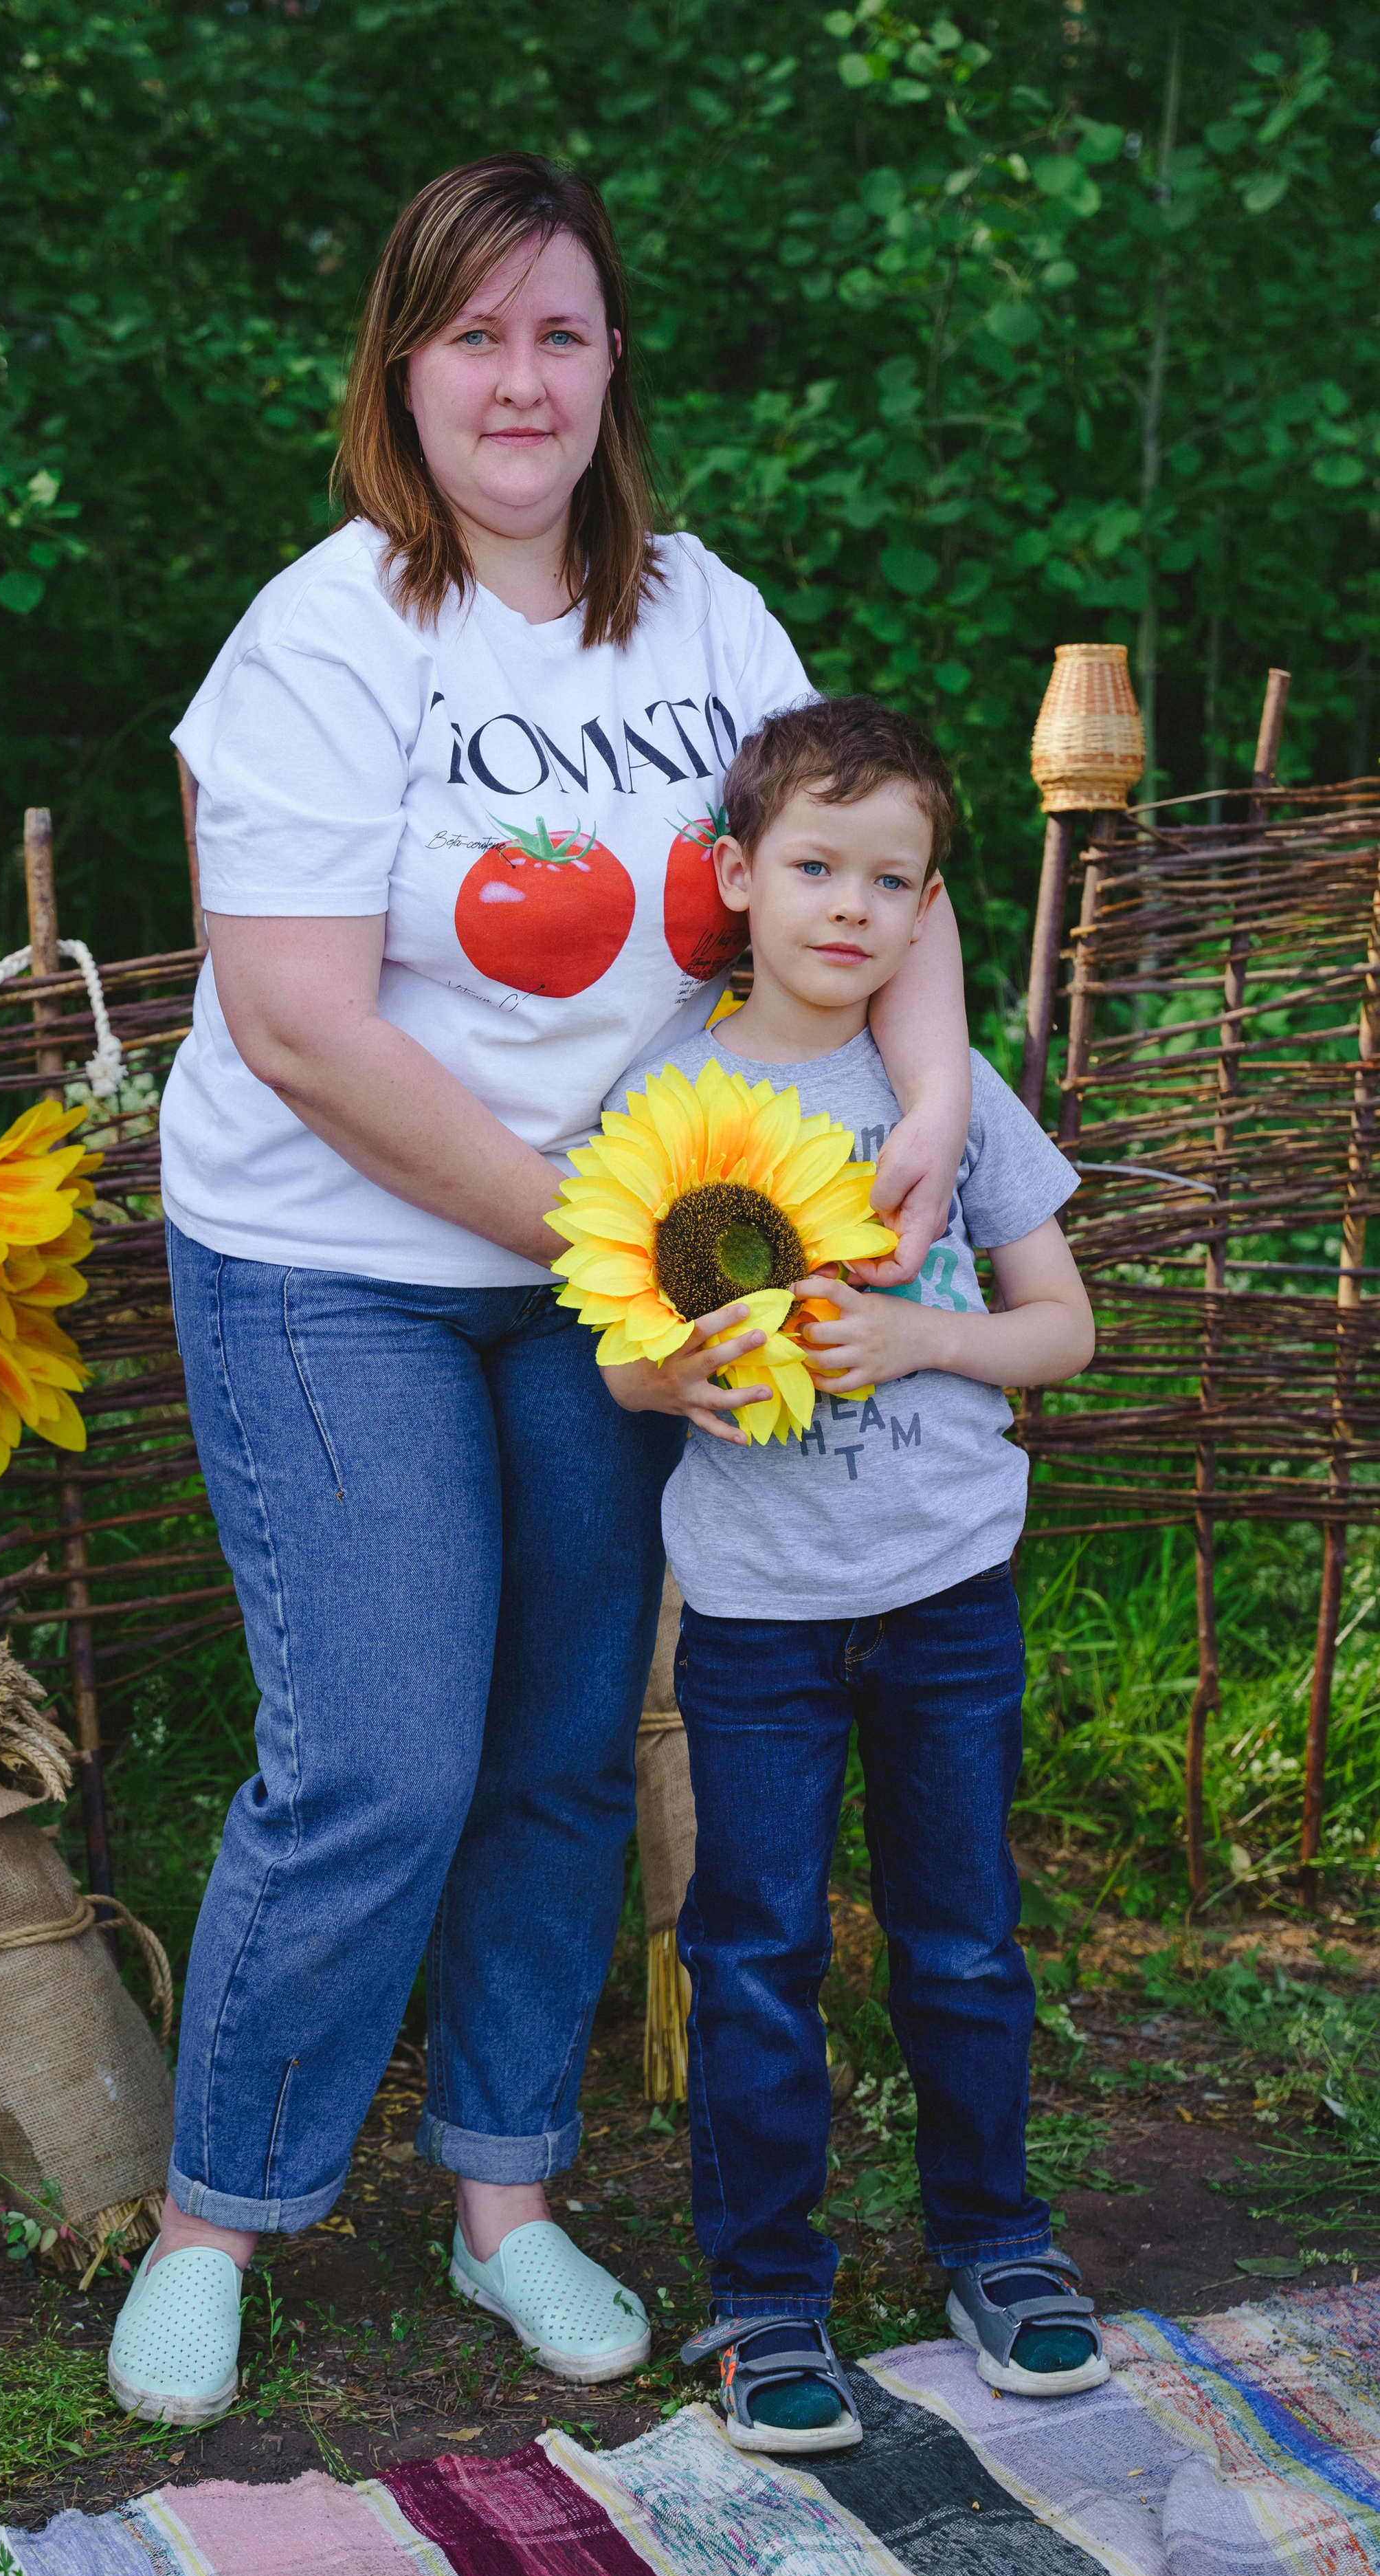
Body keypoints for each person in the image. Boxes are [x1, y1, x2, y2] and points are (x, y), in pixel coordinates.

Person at [109, 154, 974, 2427]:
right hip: (339, 1267)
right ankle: (225, 2209)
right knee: (380, 1748)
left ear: (611, 370)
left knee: (568, 1744)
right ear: (404, 365)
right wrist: (608, 1253)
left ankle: (503, 2198)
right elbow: (300, 1022)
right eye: (474, 333)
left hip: (623, 1281)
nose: (520, 378)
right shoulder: (322, 637)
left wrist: (933, 1098)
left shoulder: (705, 618)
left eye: (561, 332)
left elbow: (873, 850)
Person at [601, 694, 1106, 2455]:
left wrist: (912, 1337)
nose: (850, 907)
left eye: (892, 881)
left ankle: (999, 2247)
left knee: (961, 1941)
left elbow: (1060, 1330)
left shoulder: (943, 1106)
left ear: (924, 912)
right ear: (735, 877)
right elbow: (612, 1356)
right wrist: (676, 1376)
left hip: (946, 1594)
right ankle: (762, 2299)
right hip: (752, 1617)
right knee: (749, 1950)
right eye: (815, 866)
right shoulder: (667, 1096)